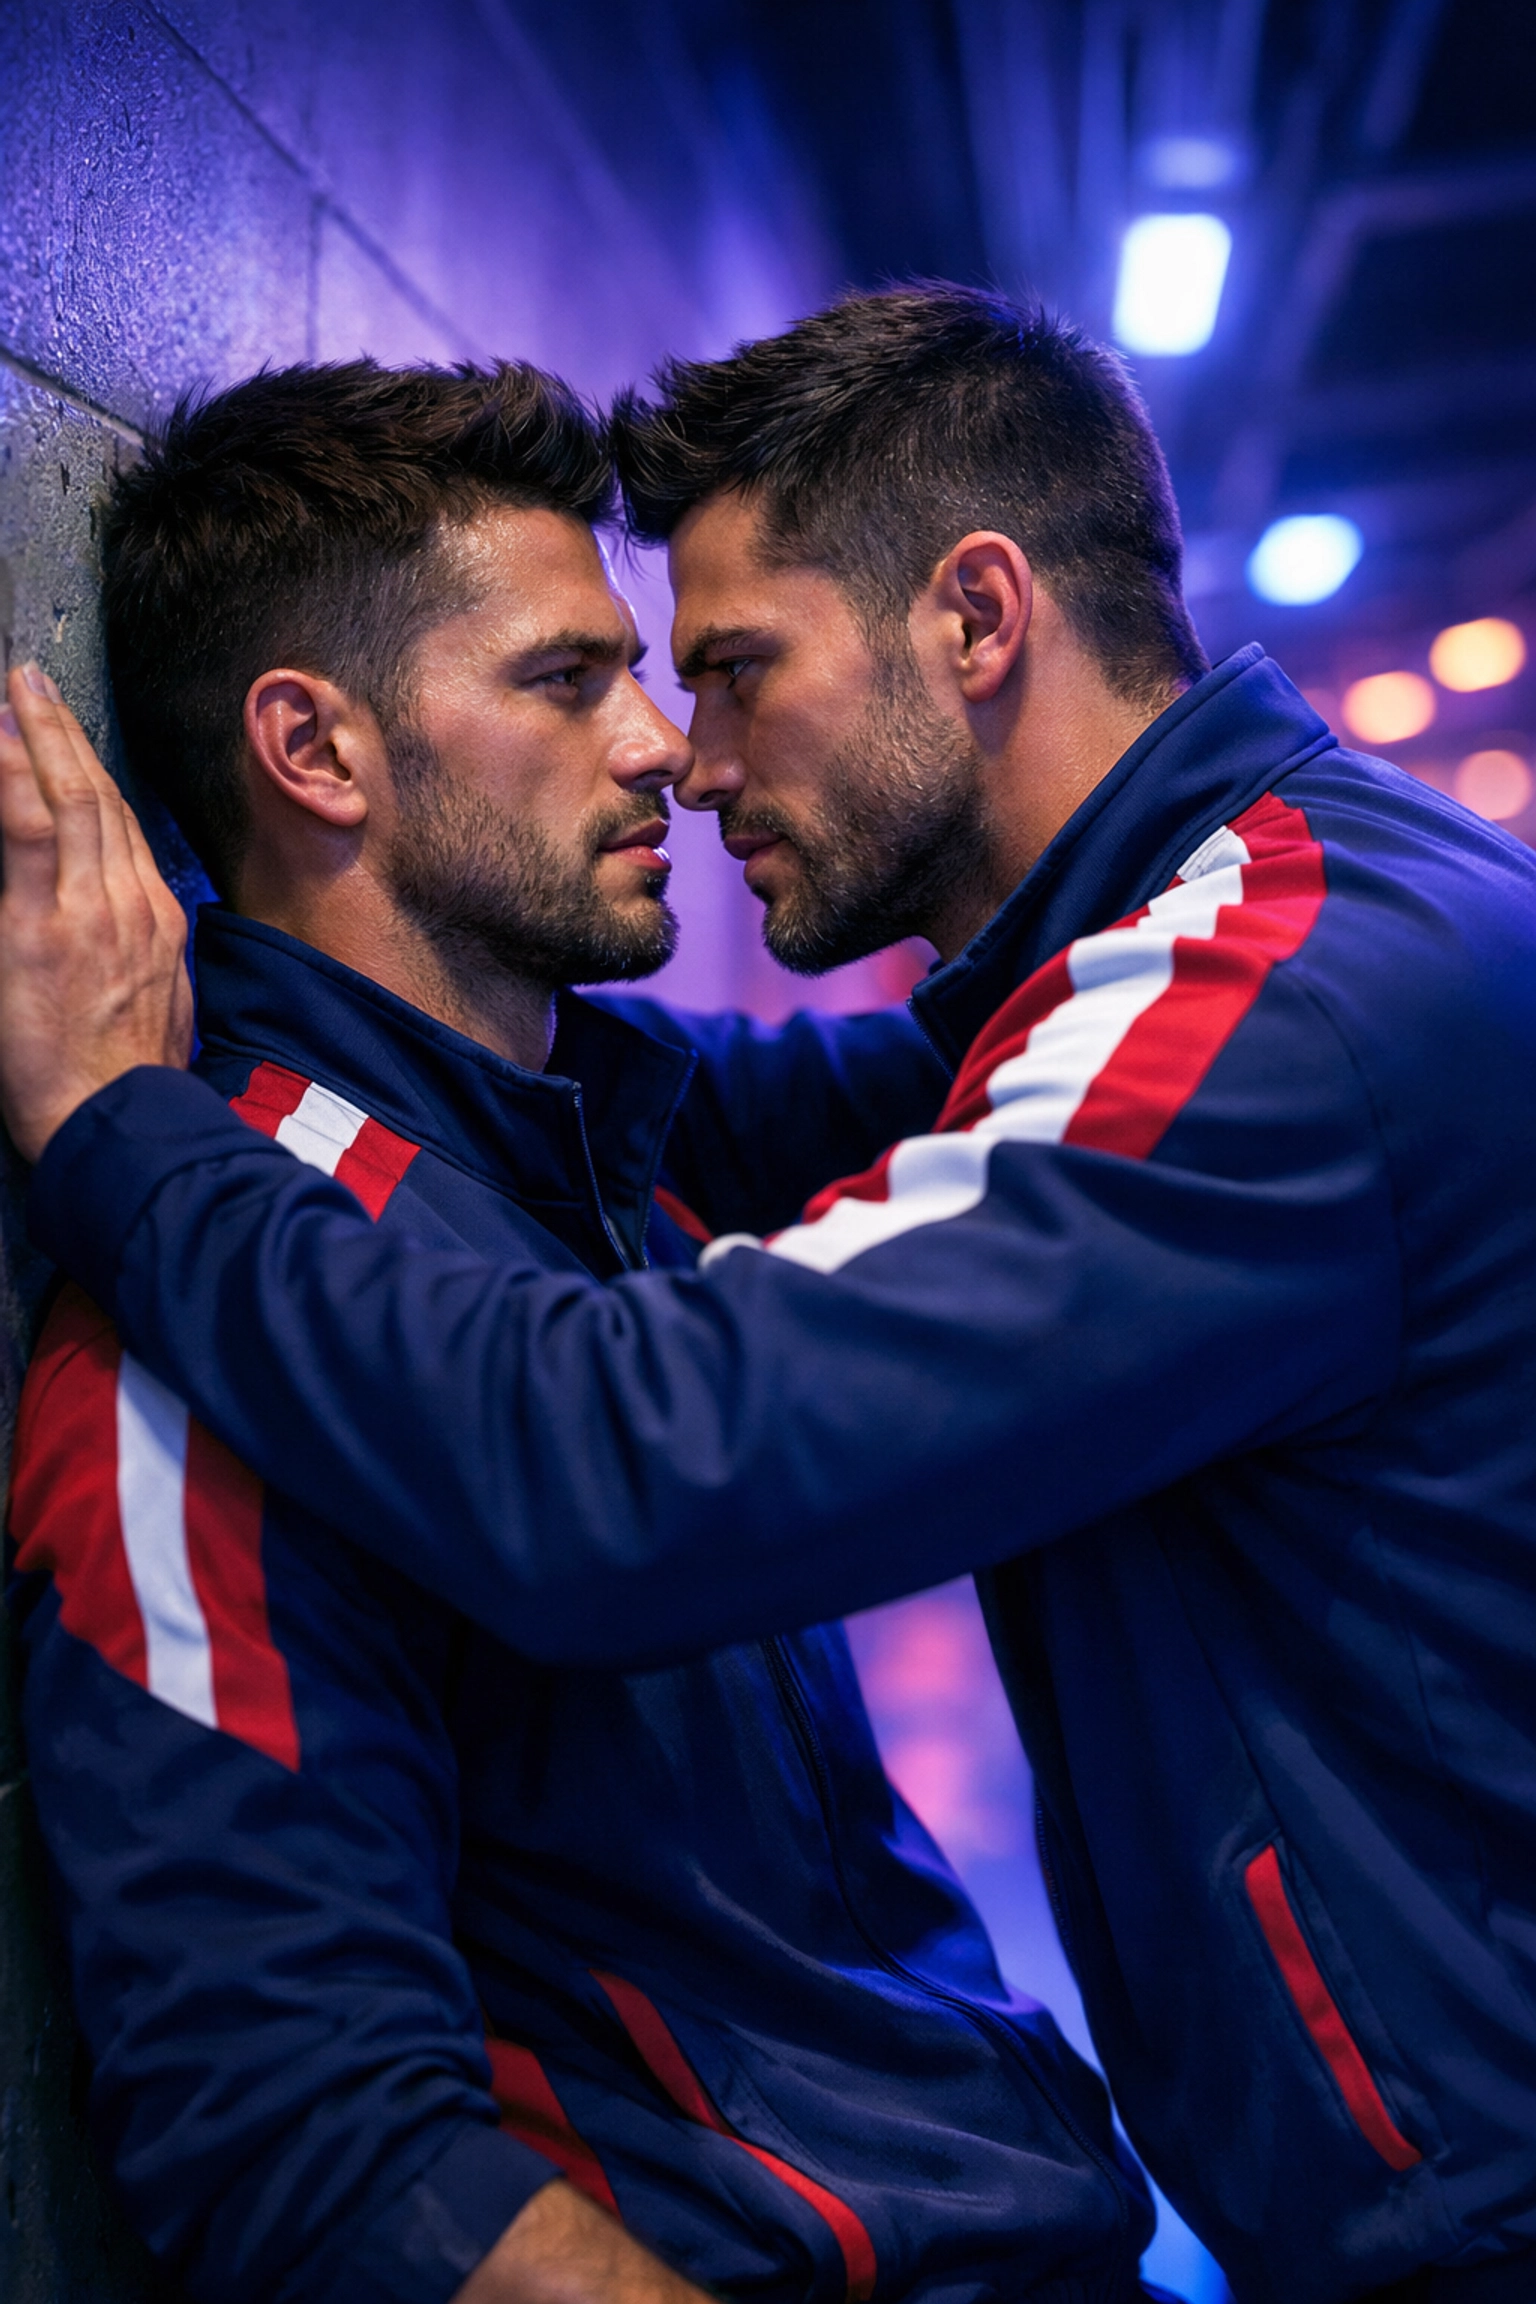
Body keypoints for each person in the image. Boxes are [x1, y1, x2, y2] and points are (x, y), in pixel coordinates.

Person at [2, 282, 1533, 2303]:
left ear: (978, 623)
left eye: (722, 669)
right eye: (588, 679)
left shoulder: (1263, 1016)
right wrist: (235, 1098)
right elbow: (316, 2147)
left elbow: (635, 1455)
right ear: (316, 748)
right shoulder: (250, 1326)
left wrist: (115, 1121)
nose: (679, 757)